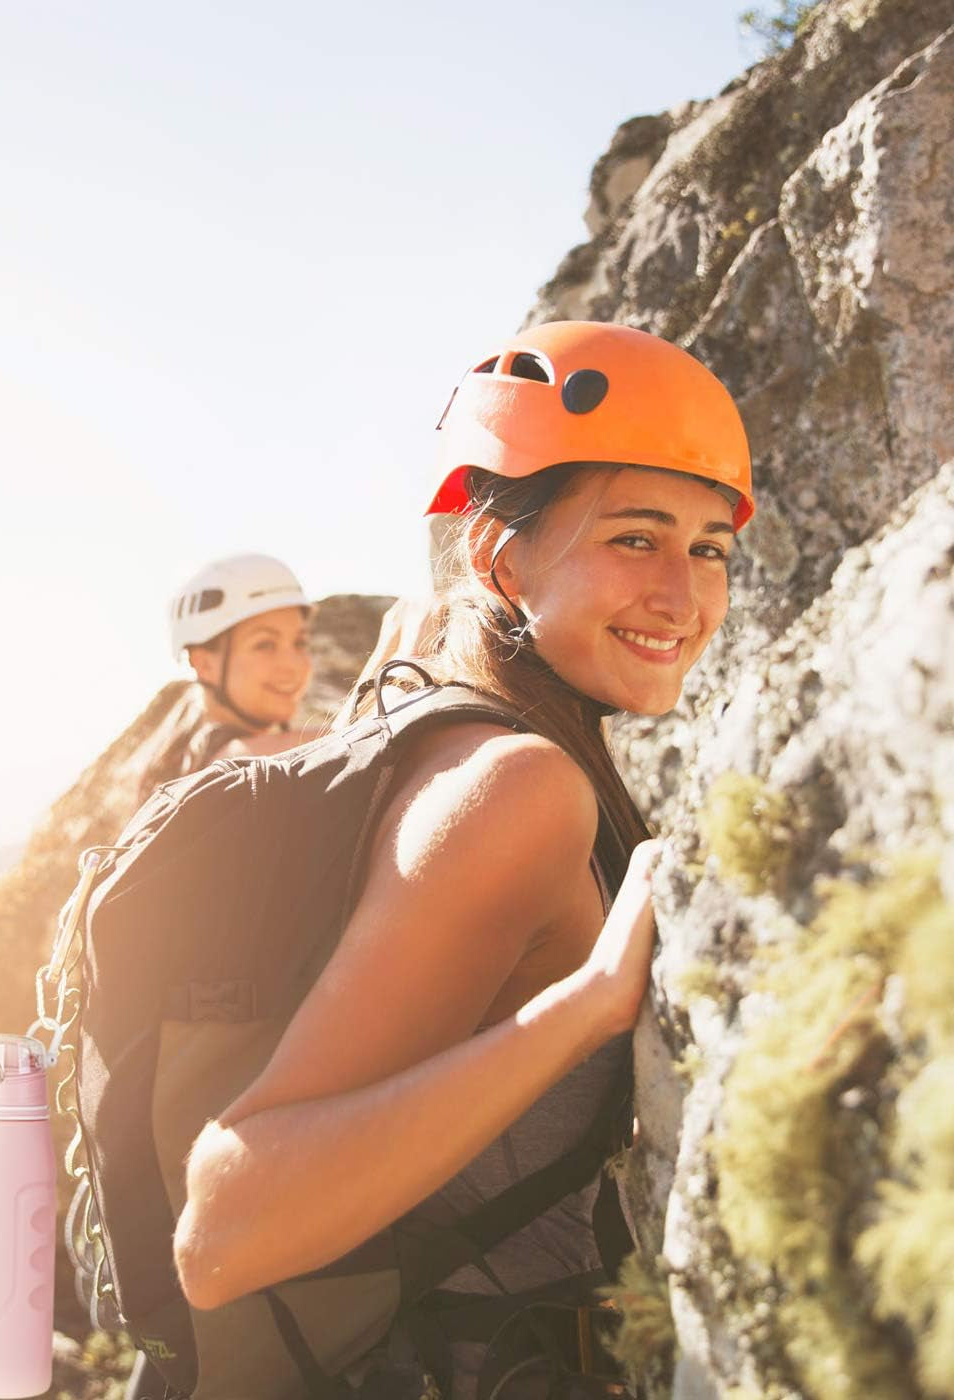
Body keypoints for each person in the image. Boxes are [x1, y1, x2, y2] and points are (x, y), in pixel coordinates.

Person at [171, 321, 754, 1397]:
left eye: (709, 548)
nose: (682, 597)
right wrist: (585, 1005)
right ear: (498, 556)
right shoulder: (517, 785)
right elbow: (224, 1230)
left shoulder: (451, 723)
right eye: (635, 538)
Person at [142, 553, 315, 791]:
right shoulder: (235, 762)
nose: (293, 664)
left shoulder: (185, 755)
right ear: (204, 664)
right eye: (265, 645)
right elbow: (350, 744)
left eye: (299, 643)